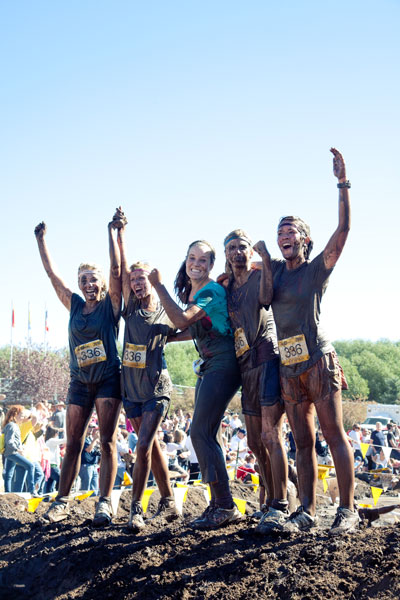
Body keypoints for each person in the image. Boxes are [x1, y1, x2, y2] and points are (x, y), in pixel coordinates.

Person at [268, 148, 357, 536]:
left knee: (333, 434)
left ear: (305, 240)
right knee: (301, 443)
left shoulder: (316, 268)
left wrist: (342, 184)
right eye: (280, 233)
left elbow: (343, 232)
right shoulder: (274, 273)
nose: (284, 237)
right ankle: (305, 510)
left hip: (319, 361)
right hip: (288, 367)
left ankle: (348, 510)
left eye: (291, 232)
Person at [34, 211, 123, 526]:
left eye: (93, 279)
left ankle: (104, 504)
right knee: (72, 443)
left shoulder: (111, 304)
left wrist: (113, 233)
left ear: (101, 283)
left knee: (108, 441)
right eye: (83, 279)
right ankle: (61, 501)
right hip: (79, 382)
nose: (88, 284)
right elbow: (51, 274)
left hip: (108, 380)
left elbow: (117, 270)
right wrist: (41, 240)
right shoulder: (73, 304)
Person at [149, 239, 242, 529]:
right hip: (208, 364)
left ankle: (225, 504)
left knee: (200, 432)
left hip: (224, 363)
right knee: (203, 433)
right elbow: (196, 329)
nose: (196, 264)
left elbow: (181, 320)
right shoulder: (194, 291)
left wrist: (158, 286)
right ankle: (217, 503)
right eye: (192, 258)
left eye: (203, 260)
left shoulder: (211, 290)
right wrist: (169, 339)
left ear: (211, 265)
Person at [223, 229, 288, 533]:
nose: (238, 252)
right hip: (244, 364)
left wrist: (264, 259)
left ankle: (279, 504)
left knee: (270, 435)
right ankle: (269, 495)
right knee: (252, 441)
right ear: (226, 254)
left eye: (243, 247)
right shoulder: (226, 286)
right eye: (232, 248)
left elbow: (265, 298)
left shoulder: (259, 274)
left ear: (250, 251)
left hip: (266, 357)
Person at [116, 216, 179, 533]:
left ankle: (136, 510)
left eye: (142, 279)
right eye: (134, 280)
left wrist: (170, 339)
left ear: (152, 280)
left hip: (156, 388)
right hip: (131, 389)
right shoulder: (130, 306)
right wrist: (120, 235)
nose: (137, 284)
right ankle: (169, 501)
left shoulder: (165, 309)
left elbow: (187, 325)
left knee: (142, 447)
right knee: (150, 447)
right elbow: (120, 268)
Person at [2, 405, 38, 495]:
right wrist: (18, 449)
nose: (23, 418)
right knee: (30, 466)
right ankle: (32, 491)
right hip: (13, 453)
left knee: (9, 475)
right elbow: (9, 441)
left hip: (9, 453)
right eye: (21, 416)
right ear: (15, 415)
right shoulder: (12, 426)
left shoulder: (12, 425)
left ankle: (8, 494)